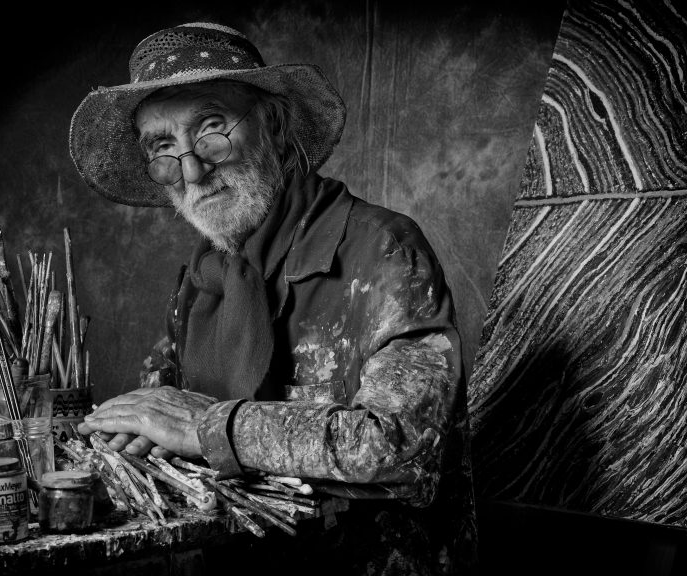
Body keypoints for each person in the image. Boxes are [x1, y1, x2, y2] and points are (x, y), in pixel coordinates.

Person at [72, 22, 476, 575]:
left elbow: (403, 447)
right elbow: (158, 413)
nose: (192, 171)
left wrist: (208, 427)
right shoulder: (201, 281)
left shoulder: (383, 249)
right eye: (164, 149)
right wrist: (125, 431)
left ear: (276, 128)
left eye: (212, 130)